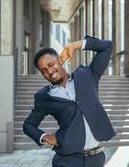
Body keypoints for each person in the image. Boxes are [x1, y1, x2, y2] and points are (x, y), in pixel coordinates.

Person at [23, 35, 116, 167]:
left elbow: (107, 46)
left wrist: (76, 45)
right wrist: (45, 137)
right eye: (44, 70)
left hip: (96, 159)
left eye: (51, 64)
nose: (50, 71)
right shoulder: (44, 97)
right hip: (67, 161)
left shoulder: (87, 75)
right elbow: (28, 125)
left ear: (60, 60)